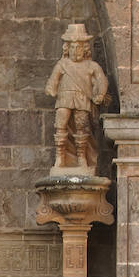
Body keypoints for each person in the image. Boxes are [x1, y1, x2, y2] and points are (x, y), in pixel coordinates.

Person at [44, 23, 108, 170]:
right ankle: (60, 158)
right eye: (72, 47)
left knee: (82, 126)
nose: (76, 50)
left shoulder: (91, 66)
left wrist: (100, 94)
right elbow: (53, 81)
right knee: (60, 124)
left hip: (81, 99)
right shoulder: (62, 64)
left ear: (85, 49)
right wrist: (51, 88)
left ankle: (81, 158)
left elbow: (102, 80)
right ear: (67, 48)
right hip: (64, 98)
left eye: (79, 47)